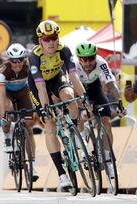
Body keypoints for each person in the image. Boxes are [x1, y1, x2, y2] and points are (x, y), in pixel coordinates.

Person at [28, 20, 87, 189]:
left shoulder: (64, 50)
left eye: (54, 38)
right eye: (47, 39)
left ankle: (75, 133)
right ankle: (62, 174)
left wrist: (84, 96)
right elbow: (40, 88)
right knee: (50, 124)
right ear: (40, 40)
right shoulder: (34, 56)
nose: (51, 42)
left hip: (56, 78)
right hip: (38, 86)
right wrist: (46, 108)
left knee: (69, 96)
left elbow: (74, 77)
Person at [74, 41, 124, 179]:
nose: (89, 62)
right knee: (80, 115)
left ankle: (108, 161)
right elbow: (70, 88)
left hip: (95, 88)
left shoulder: (101, 62)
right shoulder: (73, 65)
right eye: (85, 59)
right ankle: (83, 142)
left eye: (92, 58)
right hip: (77, 90)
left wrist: (119, 102)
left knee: (106, 121)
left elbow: (111, 84)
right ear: (79, 59)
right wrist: (82, 104)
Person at [0, 43, 39, 182]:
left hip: (22, 93)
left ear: (24, 58)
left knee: (29, 126)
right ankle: (8, 136)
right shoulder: (2, 70)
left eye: (21, 59)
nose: (18, 64)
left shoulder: (29, 67)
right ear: (9, 60)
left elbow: (36, 87)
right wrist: (3, 116)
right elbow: (1, 96)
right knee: (7, 109)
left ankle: (32, 163)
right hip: (7, 94)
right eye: (14, 61)